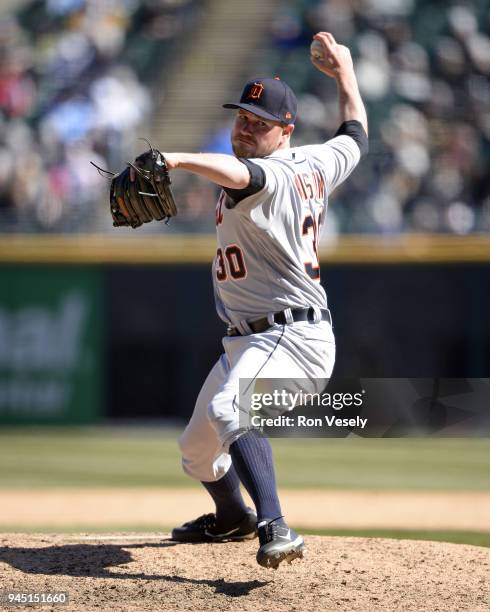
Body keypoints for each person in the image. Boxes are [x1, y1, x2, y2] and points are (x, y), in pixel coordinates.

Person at [167, 32, 368, 569]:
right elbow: (356, 135)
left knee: (230, 407)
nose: (246, 128)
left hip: (290, 336)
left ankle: (276, 526)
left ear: (285, 131)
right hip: (253, 340)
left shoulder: (269, 173)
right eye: (242, 117)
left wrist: (175, 159)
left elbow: (241, 174)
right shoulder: (317, 162)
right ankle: (233, 515)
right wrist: (345, 74)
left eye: (260, 122)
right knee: (197, 451)